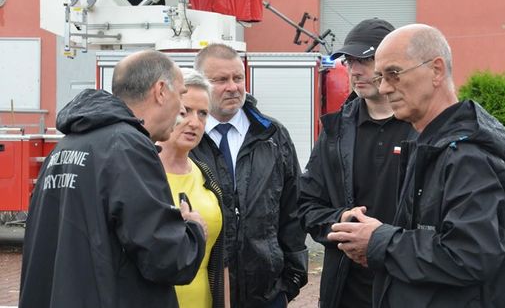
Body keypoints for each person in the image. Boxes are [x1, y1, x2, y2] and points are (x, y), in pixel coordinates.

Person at [328, 24, 505, 307]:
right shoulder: (432, 145)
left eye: (393, 74)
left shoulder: (468, 155)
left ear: (436, 70)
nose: (384, 87)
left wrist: (380, 241)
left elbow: (470, 255)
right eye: (380, 76)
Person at [19, 50, 207, 308]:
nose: (182, 109)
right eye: (182, 95)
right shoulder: (128, 147)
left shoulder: (64, 148)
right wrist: (194, 230)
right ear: (161, 91)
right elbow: (166, 257)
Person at [298, 18, 414, 308]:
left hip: (409, 288)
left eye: (365, 59)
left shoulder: (421, 128)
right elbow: (306, 205)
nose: (354, 70)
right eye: (349, 61)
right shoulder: (336, 132)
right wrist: (343, 222)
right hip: (346, 292)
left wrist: (384, 241)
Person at [190, 43, 308, 308]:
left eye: (238, 77)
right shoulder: (185, 138)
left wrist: (291, 280)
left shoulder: (272, 135)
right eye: (220, 80)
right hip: (203, 291)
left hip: (267, 293)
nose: (233, 87)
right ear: (200, 84)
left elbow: (293, 209)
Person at [158, 68, 229, 308]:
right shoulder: (139, 173)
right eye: (184, 111)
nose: (194, 122)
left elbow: (221, 260)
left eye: (203, 114)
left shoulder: (207, 174)